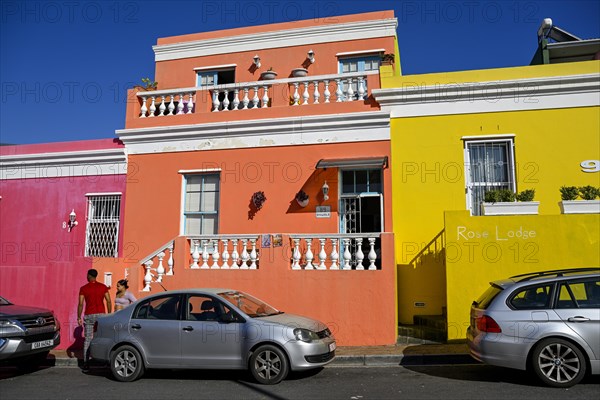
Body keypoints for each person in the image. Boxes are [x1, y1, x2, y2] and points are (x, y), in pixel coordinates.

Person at [77, 268, 111, 371]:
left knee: (87, 339)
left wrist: (78, 316)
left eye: (87, 275)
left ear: (89, 276)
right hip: (101, 316)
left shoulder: (83, 288)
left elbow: (81, 304)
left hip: (89, 315)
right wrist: (109, 315)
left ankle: (86, 363)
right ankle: (105, 362)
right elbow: (108, 301)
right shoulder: (103, 287)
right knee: (103, 338)